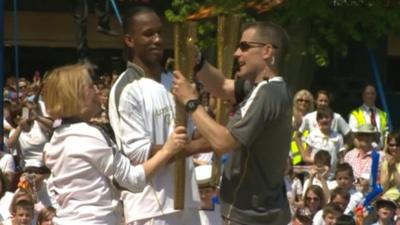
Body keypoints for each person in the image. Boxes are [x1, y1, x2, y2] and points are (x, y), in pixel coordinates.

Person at [173, 21, 292, 224]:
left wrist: (191, 102)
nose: (237, 53)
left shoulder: (265, 93)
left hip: (248, 216)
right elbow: (221, 86)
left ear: (267, 51)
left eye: (244, 47)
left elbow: (223, 143)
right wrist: (198, 61)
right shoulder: (274, 89)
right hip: (264, 213)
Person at [41, 63, 186, 224]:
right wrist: (167, 150)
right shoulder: (88, 135)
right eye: (90, 86)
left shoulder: (57, 138)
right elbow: (132, 180)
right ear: (75, 95)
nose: (97, 91)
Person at [108, 6, 202, 225]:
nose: (158, 39)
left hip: (187, 201)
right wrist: (180, 148)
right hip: (150, 209)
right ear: (130, 40)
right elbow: (136, 155)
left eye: (160, 32)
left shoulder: (176, 82)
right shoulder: (126, 88)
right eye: (148, 34)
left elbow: (194, 135)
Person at [349, 84, 389, 149]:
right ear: (363, 96)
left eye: (373, 93)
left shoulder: (383, 114)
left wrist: (384, 151)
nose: (370, 96)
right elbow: (352, 135)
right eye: (367, 93)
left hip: (380, 152)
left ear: (376, 96)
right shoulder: (355, 114)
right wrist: (362, 150)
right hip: (363, 152)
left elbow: (386, 135)